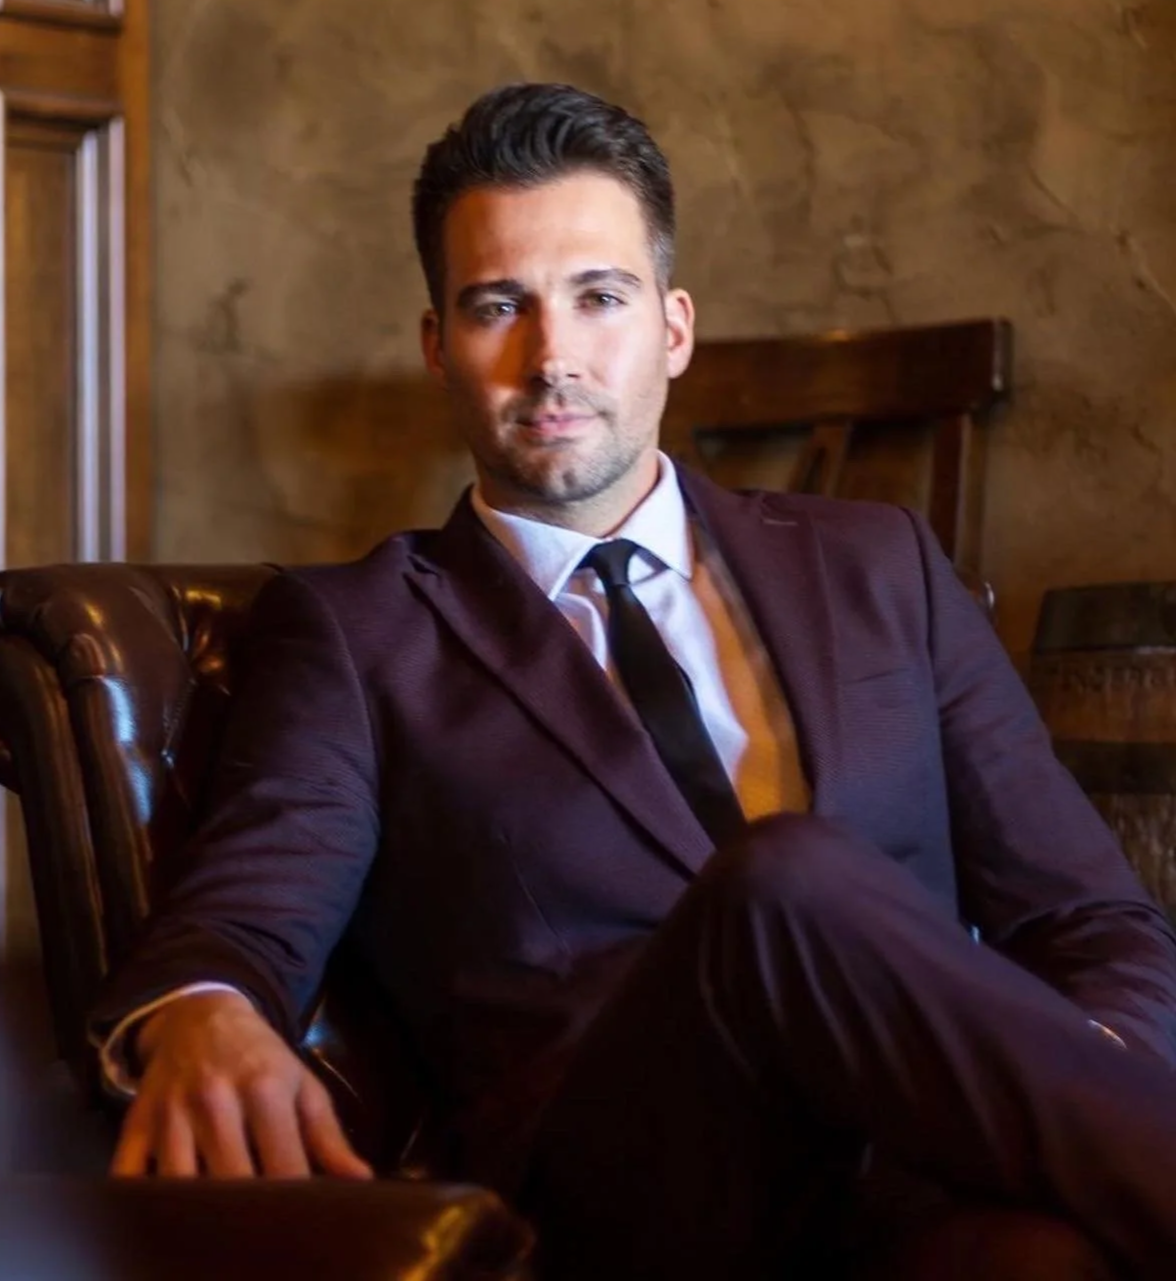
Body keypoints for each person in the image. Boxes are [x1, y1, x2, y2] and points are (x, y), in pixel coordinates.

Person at [91, 82, 1176, 1280]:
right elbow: (245, 908)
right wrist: (199, 1005)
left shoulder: (880, 565)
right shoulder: (357, 632)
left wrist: (1074, 1089)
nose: (552, 357)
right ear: (438, 346)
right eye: (498, 306)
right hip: (626, 1192)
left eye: (599, 298)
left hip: (915, 1164)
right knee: (786, 877)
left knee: (1047, 1258)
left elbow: (1089, 916)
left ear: (673, 328)